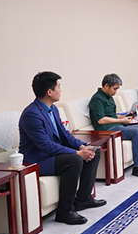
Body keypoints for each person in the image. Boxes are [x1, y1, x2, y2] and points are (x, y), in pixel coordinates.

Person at [19, 72, 106, 225]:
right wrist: (77, 153)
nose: (61, 90)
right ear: (49, 92)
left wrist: (83, 146)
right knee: (74, 160)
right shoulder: (31, 114)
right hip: (37, 159)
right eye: (59, 87)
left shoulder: (53, 109)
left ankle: (84, 199)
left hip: (51, 154)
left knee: (93, 150)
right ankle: (64, 212)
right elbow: (45, 146)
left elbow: (64, 135)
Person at [89, 73, 138, 178]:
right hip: (107, 129)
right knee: (136, 132)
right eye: (114, 89)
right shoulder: (97, 99)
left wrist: (124, 116)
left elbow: (111, 115)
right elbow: (101, 120)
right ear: (106, 86)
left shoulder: (109, 96)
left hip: (117, 124)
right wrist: (121, 120)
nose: (115, 92)